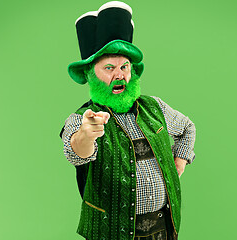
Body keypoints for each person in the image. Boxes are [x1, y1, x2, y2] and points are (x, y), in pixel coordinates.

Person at [60, 2, 196, 240]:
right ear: (92, 75)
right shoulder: (81, 119)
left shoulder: (155, 106)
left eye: (124, 66)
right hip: (113, 234)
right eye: (109, 67)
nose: (119, 74)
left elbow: (187, 127)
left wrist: (180, 162)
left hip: (163, 230)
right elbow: (77, 152)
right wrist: (88, 133)